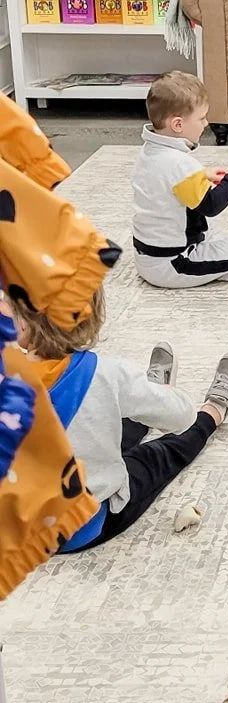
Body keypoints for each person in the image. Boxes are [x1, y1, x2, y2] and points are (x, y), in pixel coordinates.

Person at [4, 287, 228, 551]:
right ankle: (212, 410)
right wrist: (166, 397)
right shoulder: (108, 374)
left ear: (25, 324)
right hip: (85, 526)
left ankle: (145, 400)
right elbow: (182, 416)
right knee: (157, 454)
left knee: (100, 424)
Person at [0, 96, 121, 597]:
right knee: (160, 457)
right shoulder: (98, 369)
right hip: (84, 517)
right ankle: (211, 415)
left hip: (42, 496)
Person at [132, 71, 228, 289]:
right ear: (178, 125)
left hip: (147, 258)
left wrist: (202, 174)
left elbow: (167, 183)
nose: (206, 123)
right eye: (201, 118)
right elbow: (212, 205)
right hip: (175, 264)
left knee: (211, 229)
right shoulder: (180, 164)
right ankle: (223, 268)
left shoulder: (150, 151)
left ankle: (216, 266)